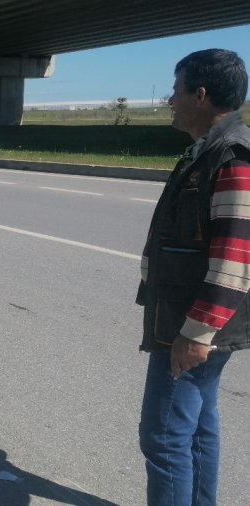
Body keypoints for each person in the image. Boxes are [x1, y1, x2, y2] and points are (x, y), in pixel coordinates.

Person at [137, 49, 250, 506]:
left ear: (200, 96)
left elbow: (237, 254)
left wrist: (197, 332)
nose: (170, 99)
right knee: (198, 426)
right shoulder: (209, 152)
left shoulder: (231, 157)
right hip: (191, 321)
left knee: (164, 439)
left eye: (177, 89)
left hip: (190, 327)